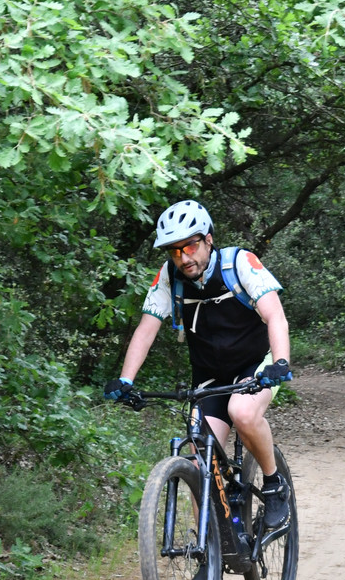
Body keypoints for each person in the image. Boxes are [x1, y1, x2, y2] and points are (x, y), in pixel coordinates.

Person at [104, 199, 293, 532]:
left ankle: (274, 483)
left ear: (208, 239)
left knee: (243, 412)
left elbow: (274, 315)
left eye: (190, 247)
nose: (183, 258)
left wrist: (279, 363)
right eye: (175, 251)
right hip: (209, 376)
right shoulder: (169, 277)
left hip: (254, 365)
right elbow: (146, 329)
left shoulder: (239, 263)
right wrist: (125, 380)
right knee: (199, 462)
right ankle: (208, 546)